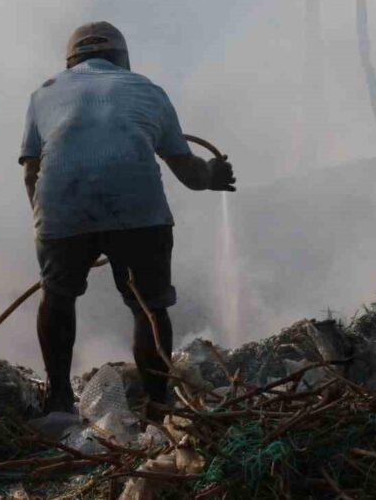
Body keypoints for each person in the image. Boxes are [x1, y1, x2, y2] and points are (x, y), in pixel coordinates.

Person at [19, 21, 235, 420]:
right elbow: (188, 172)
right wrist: (214, 177)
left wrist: (48, 226)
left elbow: (31, 172)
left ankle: (59, 401)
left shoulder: (43, 93)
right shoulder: (148, 90)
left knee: (58, 297)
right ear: (122, 59)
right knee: (148, 308)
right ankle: (157, 409)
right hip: (138, 210)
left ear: (71, 61)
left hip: (62, 205)